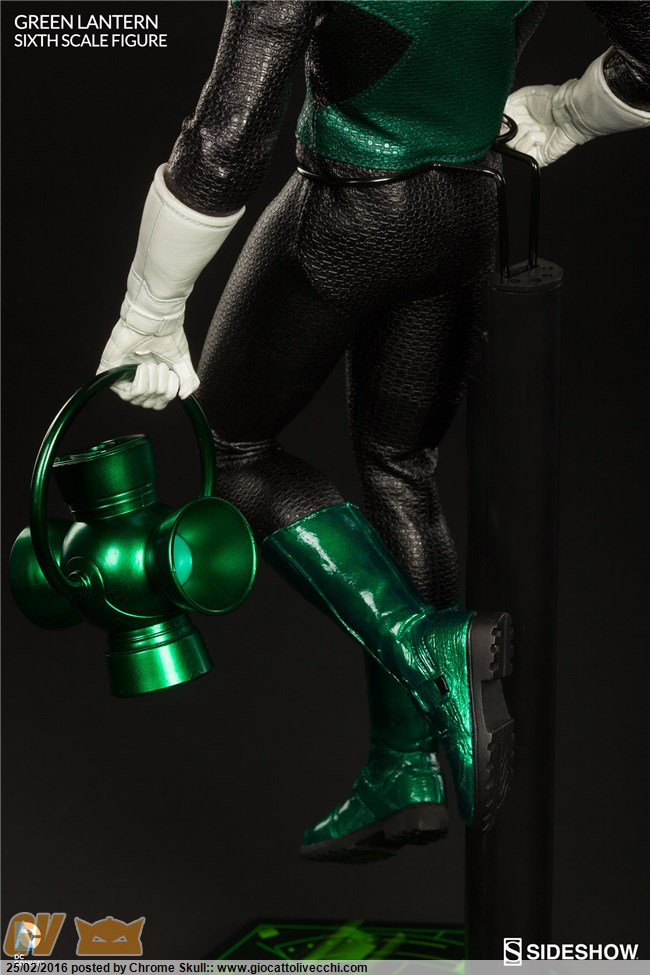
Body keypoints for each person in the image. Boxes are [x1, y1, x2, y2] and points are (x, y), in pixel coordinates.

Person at [98, 0, 650, 862]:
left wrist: (150, 308)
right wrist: (570, 114)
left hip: (350, 210)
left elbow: (225, 143)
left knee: (233, 453)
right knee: (399, 468)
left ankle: (420, 644)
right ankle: (405, 763)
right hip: (467, 213)